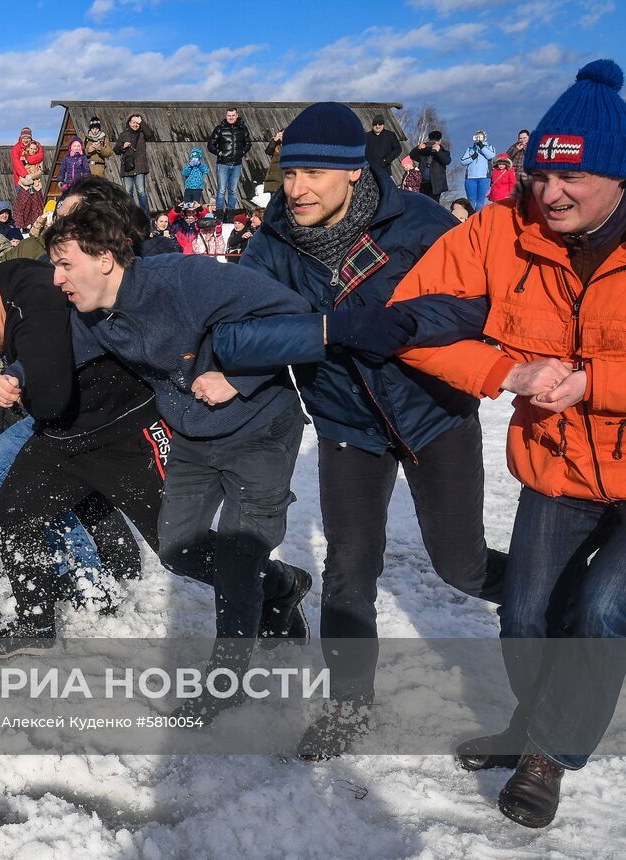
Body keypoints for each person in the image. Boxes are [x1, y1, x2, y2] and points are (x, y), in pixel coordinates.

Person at [215, 101, 507, 758]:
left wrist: (405, 326)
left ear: (353, 172)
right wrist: (329, 329)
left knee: (460, 565)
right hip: (347, 422)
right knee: (349, 567)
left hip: (434, 416)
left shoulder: (420, 223)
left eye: (314, 173)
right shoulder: (273, 244)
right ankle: (348, 704)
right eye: (291, 173)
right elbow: (234, 335)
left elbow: (479, 303)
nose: (297, 188)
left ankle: (550, 602)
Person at [388, 58, 626, 830]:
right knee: (525, 612)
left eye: (573, 177)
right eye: (539, 177)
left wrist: (597, 383)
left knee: (603, 608)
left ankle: (546, 756)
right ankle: (536, 723)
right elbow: (409, 320)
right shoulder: (499, 230)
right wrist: (505, 370)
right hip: (558, 462)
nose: (550, 194)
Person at [45, 204, 313, 720]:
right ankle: (282, 584)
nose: (57, 279)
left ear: (104, 259)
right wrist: (16, 374)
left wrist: (239, 378)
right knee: (176, 548)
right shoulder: (92, 314)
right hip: (193, 434)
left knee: (238, 558)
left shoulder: (185, 279)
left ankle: (227, 681)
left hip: (259, 427)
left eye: (65, 265)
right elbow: (63, 355)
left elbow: (295, 313)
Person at [0, 259, 164, 655]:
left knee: (178, 546)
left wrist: (18, 379)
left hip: (118, 425)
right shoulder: (7, 285)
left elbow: (49, 381)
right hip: (65, 431)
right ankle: (39, 619)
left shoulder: (33, 302)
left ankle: (268, 587)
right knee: (7, 502)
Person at [208, 108, 253, 221]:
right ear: (226, 116)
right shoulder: (220, 128)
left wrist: (241, 152)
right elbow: (210, 145)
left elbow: (248, 143)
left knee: (233, 190)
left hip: (236, 164)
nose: (231, 117)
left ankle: (231, 214)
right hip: (223, 164)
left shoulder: (242, 128)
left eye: (233, 115)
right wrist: (220, 153)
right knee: (221, 190)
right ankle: (219, 215)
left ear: (237, 115)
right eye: (229, 115)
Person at [116, 114, 160, 213]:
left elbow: (150, 135)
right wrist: (123, 146)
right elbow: (116, 150)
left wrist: (142, 122)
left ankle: (145, 214)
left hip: (140, 167)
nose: (135, 125)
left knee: (141, 191)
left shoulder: (142, 134)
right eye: (133, 122)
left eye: (137, 123)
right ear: (129, 123)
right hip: (127, 168)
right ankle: (131, 213)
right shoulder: (123, 134)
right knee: (128, 192)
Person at [461, 130, 497, 211]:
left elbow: (490, 155)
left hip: (484, 178)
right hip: (470, 178)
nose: (478, 138)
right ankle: (471, 216)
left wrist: (481, 146)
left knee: (480, 201)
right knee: (471, 200)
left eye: (480, 137)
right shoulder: (470, 149)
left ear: (484, 138)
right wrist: (472, 157)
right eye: (477, 137)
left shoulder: (490, 147)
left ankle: (478, 217)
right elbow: (463, 161)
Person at [410, 131, 451, 201]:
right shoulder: (424, 152)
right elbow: (412, 156)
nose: (433, 143)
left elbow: (447, 161)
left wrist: (438, 151)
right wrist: (418, 148)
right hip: (422, 183)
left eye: (435, 141)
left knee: (433, 204)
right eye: (432, 141)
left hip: (436, 185)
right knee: (421, 202)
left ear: (439, 142)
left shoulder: (444, 152)